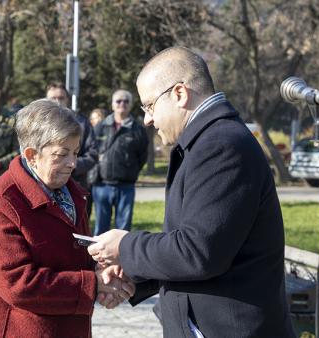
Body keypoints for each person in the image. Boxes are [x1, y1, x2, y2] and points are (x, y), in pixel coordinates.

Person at [87, 47, 296, 337]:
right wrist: (134, 277)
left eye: (149, 106)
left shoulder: (221, 145)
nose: (147, 119)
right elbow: (197, 244)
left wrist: (125, 247)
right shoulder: (205, 142)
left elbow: (199, 252)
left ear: (180, 94)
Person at [0, 100, 134, 337]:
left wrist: (104, 270)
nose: (73, 163)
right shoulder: (0, 201)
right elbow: (17, 284)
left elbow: (74, 255)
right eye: (62, 154)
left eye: (75, 152)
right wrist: (93, 284)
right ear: (31, 155)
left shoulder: (72, 193)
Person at [90, 89, 148, 235]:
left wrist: (130, 170)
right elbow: (92, 151)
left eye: (126, 101)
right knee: (100, 229)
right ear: (112, 104)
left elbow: (142, 156)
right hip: (101, 185)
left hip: (126, 186)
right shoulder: (100, 127)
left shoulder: (138, 130)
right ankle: (98, 258)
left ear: (130, 105)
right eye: (118, 101)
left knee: (123, 230)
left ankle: (120, 257)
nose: (122, 104)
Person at [45, 82, 98, 192]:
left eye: (61, 98)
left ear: (67, 100)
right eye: (53, 98)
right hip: (45, 185)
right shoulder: (40, 125)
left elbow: (93, 153)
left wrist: (70, 165)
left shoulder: (82, 123)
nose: (57, 101)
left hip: (76, 184)